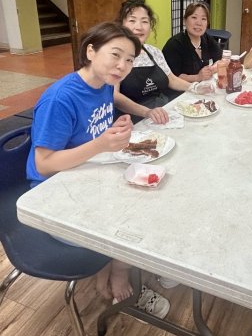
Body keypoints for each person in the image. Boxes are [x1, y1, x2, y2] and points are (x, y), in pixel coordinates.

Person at [25, 22, 170, 312]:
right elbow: (44, 165)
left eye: (129, 59)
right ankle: (118, 272)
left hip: (87, 174)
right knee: (137, 215)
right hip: (52, 193)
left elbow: (94, 126)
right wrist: (102, 144)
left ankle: (113, 264)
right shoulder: (60, 98)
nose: (122, 66)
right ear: (91, 51)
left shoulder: (103, 85)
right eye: (115, 55)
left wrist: (117, 126)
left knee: (156, 191)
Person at [114, 0, 212, 124]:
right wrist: (147, 112)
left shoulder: (154, 52)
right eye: (132, 20)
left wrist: (195, 87)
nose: (139, 27)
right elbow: (114, 96)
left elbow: (171, 79)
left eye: (144, 21)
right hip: (132, 122)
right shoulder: (114, 55)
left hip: (163, 114)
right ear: (121, 24)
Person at [162, 1, 222, 82]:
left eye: (203, 19)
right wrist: (197, 77)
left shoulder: (206, 38)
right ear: (184, 20)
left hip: (204, 85)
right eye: (194, 17)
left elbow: (221, 59)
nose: (199, 23)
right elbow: (172, 77)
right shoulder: (174, 45)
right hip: (181, 89)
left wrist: (211, 70)